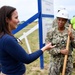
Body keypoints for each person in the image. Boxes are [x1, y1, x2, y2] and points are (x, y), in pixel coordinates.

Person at [0, 6, 55, 75]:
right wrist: (44, 48)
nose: (18, 20)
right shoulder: (7, 39)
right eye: (16, 18)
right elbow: (27, 59)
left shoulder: (3, 36)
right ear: (7, 19)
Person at [45, 10, 75, 75]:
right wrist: (60, 51)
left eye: (63, 20)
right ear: (56, 20)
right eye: (59, 19)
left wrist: (72, 37)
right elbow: (47, 49)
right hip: (55, 61)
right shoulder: (51, 32)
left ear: (66, 21)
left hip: (67, 61)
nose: (60, 22)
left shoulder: (70, 31)